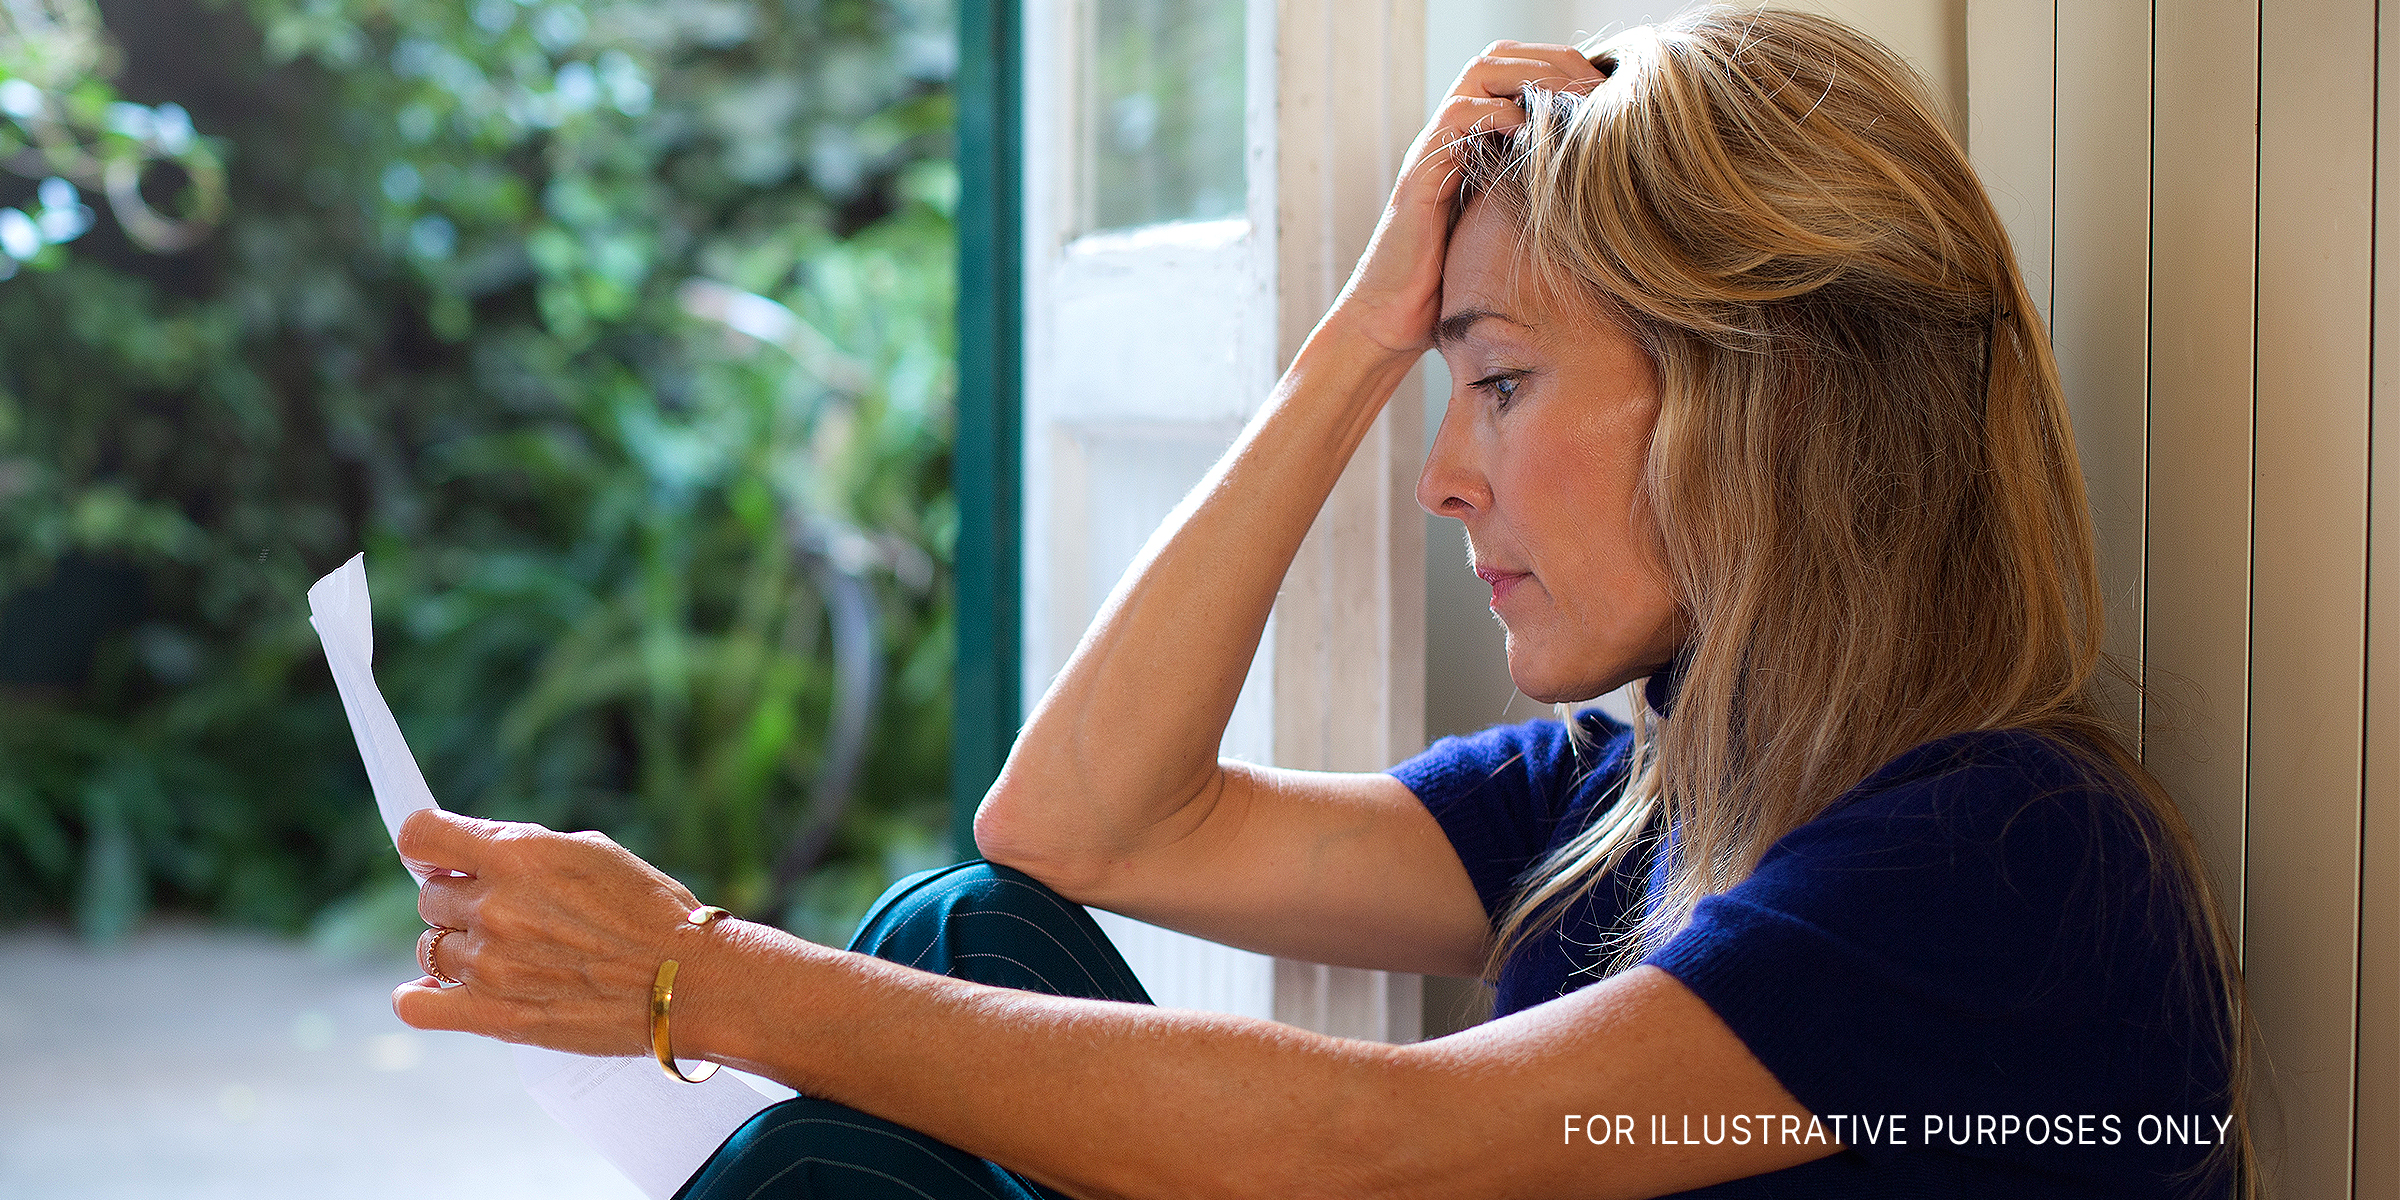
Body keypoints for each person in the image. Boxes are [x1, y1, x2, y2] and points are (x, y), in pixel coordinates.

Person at [391, 7, 2248, 1197]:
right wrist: (1364, 335)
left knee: (833, 1173)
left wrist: (689, 973)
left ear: (1771, 401)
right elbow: (1081, 822)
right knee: (970, 926)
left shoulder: (2011, 856)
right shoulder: (1628, 805)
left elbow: (1391, 1147)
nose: (1446, 472)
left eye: (1500, 382)